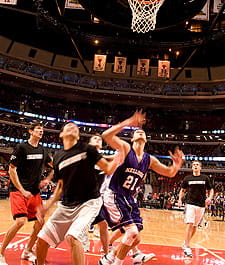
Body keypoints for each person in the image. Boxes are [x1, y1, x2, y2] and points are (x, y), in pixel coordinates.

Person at [99, 110, 184, 265]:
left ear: (146, 139)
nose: (139, 132)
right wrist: (127, 122)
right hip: (115, 194)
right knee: (131, 232)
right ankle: (115, 262)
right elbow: (106, 136)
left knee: (136, 237)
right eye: (137, 131)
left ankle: (109, 257)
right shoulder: (125, 149)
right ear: (132, 138)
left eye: (142, 132)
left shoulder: (149, 160)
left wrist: (177, 165)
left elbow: (170, 173)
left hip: (129, 199)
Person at [35, 121, 124, 265]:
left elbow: (108, 169)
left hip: (89, 202)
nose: (72, 126)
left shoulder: (87, 149)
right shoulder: (57, 157)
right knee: (41, 240)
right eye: (68, 126)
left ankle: (106, 251)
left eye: (75, 127)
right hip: (66, 205)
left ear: (78, 135)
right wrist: (47, 206)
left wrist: (118, 159)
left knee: (72, 237)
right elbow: (60, 186)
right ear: (61, 134)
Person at [0, 122, 53, 265]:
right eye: (38, 129)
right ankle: (0, 253)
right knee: (20, 221)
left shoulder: (43, 150)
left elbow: (55, 166)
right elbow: (12, 170)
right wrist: (22, 190)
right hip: (19, 190)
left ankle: (28, 251)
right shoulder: (21, 148)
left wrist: (48, 179)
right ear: (31, 131)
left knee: (40, 223)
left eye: (42, 130)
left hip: (34, 192)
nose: (41, 132)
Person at [178, 160, 214, 257]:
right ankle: (187, 246)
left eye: (197, 165)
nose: (195, 166)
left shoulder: (205, 178)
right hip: (190, 204)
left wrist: (210, 198)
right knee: (189, 224)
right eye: (194, 165)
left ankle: (186, 242)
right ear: (192, 167)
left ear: (200, 167)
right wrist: (180, 200)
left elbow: (211, 190)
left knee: (194, 227)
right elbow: (182, 190)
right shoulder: (187, 178)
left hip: (201, 205)